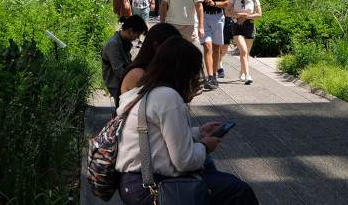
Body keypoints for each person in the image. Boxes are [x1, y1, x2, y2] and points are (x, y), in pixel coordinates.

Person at [115, 36, 259, 205]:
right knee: (238, 190)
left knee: (217, 177)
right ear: (184, 70)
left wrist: (198, 133)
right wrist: (205, 147)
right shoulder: (168, 97)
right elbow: (183, 162)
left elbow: (156, 136)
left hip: (131, 182)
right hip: (151, 187)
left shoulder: (145, 89)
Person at [119, 22, 181, 99]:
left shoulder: (152, 69)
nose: (175, 53)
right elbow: (161, 103)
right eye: (172, 48)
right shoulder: (138, 74)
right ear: (156, 46)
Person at [197, 0, 229, 90]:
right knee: (207, 46)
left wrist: (213, 3)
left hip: (218, 17)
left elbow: (226, 2)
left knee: (216, 48)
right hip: (203, 16)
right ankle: (209, 76)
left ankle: (214, 75)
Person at [101, 15, 148, 102]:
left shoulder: (124, 41)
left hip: (123, 80)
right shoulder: (114, 44)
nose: (137, 38)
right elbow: (119, 73)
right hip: (116, 84)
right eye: (137, 34)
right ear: (130, 31)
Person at [225, 0, 262, 85]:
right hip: (237, 26)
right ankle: (247, 75)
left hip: (249, 25)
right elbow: (227, 12)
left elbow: (259, 14)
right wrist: (238, 15)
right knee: (243, 51)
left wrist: (246, 17)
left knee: (246, 53)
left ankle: (242, 72)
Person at [215, 0, 235, 78]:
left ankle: (217, 61)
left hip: (226, 14)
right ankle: (220, 66)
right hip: (213, 15)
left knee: (226, 43)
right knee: (217, 41)